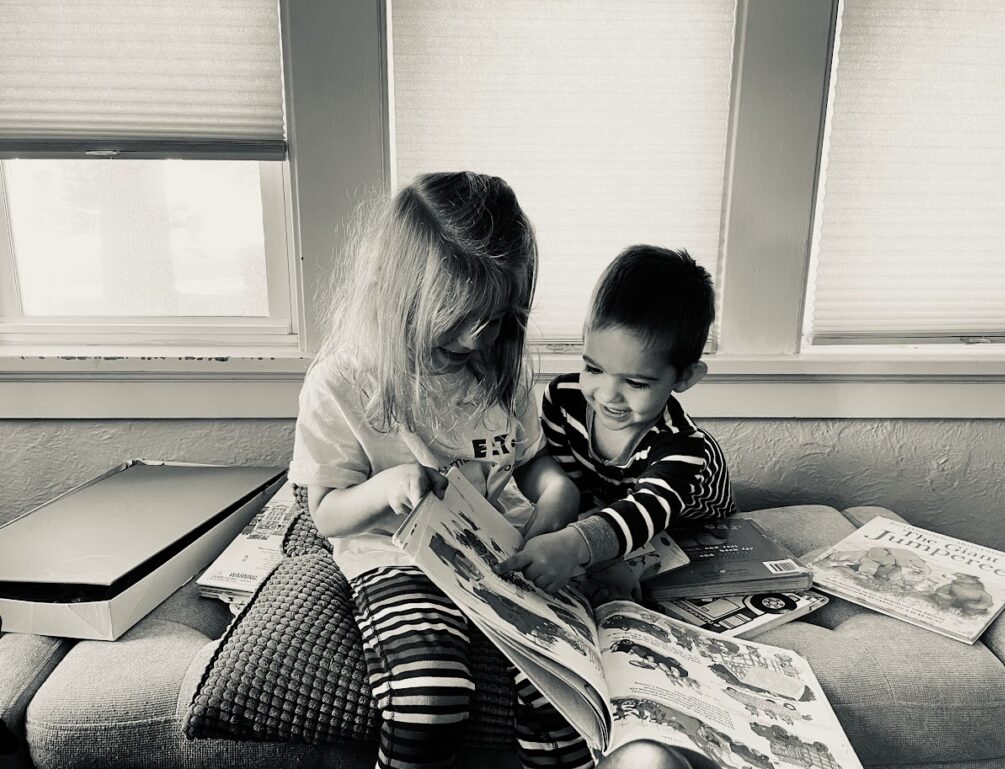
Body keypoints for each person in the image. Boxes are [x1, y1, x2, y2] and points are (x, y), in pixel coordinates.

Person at [289, 171, 592, 769]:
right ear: (401, 295)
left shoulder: (496, 372)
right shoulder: (343, 381)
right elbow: (325, 514)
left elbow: (531, 462)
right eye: (459, 316)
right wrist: (382, 488)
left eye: (498, 317)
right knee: (428, 700)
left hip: (500, 556)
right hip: (398, 559)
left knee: (563, 694)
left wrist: (558, 493)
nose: (479, 337)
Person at [499, 245, 738, 600]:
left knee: (632, 585)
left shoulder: (684, 446)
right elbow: (575, 488)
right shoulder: (564, 399)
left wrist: (583, 548)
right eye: (594, 368)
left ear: (685, 378)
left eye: (636, 382)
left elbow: (648, 511)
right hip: (616, 507)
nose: (607, 394)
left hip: (688, 522)